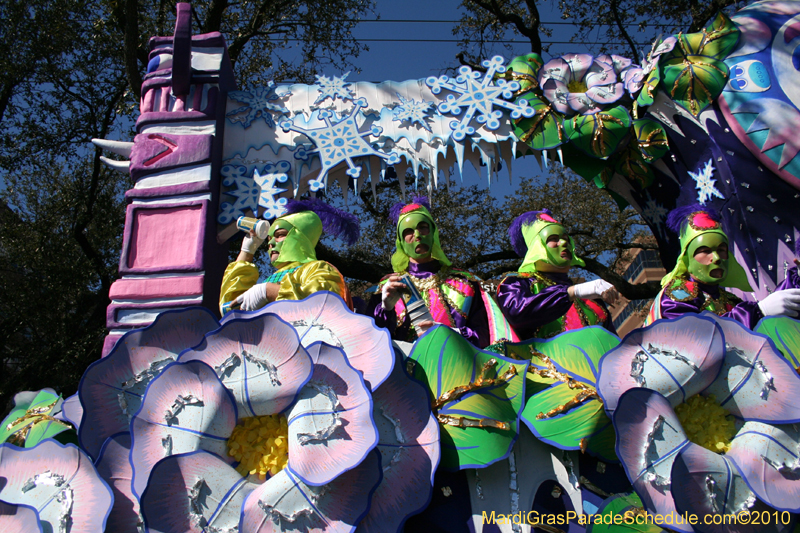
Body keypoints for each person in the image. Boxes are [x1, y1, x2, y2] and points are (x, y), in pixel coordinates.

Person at [367, 196, 515, 349]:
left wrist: (450, 334)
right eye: (408, 231)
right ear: (401, 241)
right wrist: (385, 309)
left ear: (433, 233)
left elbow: (485, 337)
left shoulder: (466, 284)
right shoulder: (386, 288)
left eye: (423, 227)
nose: (417, 235)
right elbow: (372, 345)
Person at [645, 204, 800, 327]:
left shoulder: (730, 300)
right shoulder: (677, 294)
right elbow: (696, 340)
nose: (717, 258)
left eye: (721, 250)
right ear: (687, 259)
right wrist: (758, 312)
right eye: (705, 251)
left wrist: (797, 277)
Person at [219, 199, 359, 313]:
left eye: (280, 235)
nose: (271, 243)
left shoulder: (318, 269)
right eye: (269, 239)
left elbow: (322, 305)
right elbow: (230, 309)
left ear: (300, 238)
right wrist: (247, 251)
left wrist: (269, 291)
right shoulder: (269, 280)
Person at [496, 209, 619, 340]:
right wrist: (572, 292)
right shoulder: (517, 283)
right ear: (537, 246)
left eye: (566, 238)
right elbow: (517, 312)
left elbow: (615, 347)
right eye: (553, 239)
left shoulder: (592, 300)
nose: (564, 242)